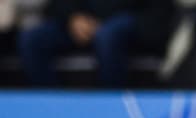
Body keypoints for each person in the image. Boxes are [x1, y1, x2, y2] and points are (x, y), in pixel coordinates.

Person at [19, 0, 169, 87]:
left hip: (130, 18)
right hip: (80, 21)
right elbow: (56, 3)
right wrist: (73, 17)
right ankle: (50, 106)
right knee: (32, 39)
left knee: (108, 35)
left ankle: (110, 107)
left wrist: (104, 21)